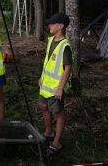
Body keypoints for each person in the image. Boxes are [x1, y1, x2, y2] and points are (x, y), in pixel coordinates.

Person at [38, 12, 73, 156]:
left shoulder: (65, 46)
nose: (49, 25)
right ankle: (48, 131)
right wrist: (41, 76)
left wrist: (60, 88)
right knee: (43, 107)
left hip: (55, 88)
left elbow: (68, 68)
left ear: (61, 26)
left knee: (58, 113)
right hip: (45, 84)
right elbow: (48, 62)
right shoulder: (51, 40)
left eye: (52, 23)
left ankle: (57, 142)